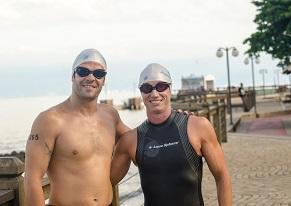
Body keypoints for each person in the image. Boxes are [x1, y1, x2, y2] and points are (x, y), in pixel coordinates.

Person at [110, 63, 232, 206]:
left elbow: (222, 176)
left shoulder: (198, 126)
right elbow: (104, 184)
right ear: (141, 93)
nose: (154, 93)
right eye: (146, 88)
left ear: (170, 88)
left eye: (161, 86)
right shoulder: (130, 140)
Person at [24, 48, 130, 206]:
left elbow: (136, 137)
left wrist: (176, 119)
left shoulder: (110, 115)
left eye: (98, 74)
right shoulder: (50, 120)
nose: (90, 77)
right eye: (83, 71)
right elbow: (32, 178)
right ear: (73, 76)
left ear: (104, 80)